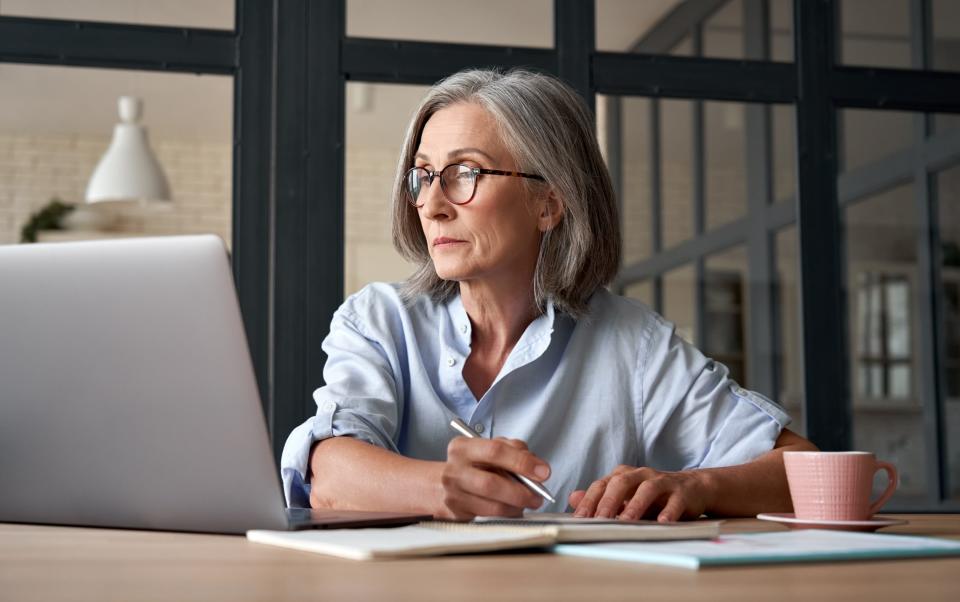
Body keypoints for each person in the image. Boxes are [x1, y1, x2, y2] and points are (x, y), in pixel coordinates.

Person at [281, 68, 817, 522]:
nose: (433, 204)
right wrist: (444, 487)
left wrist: (696, 487)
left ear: (549, 204)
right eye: (423, 176)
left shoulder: (634, 344)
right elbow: (328, 474)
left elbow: (808, 472)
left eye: (464, 173)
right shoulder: (378, 320)